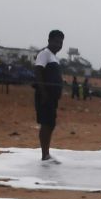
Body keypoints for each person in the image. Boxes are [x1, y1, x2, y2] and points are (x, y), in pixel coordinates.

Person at [33, 29, 65, 162]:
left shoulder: (54, 57)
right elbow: (38, 72)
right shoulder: (44, 54)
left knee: (50, 124)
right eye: (56, 41)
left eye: (61, 42)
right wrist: (44, 93)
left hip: (52, 97)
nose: (59, 44)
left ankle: (47, 153)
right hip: (45, 96)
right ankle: (44, 154)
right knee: (46, 124)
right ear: (49, 41)